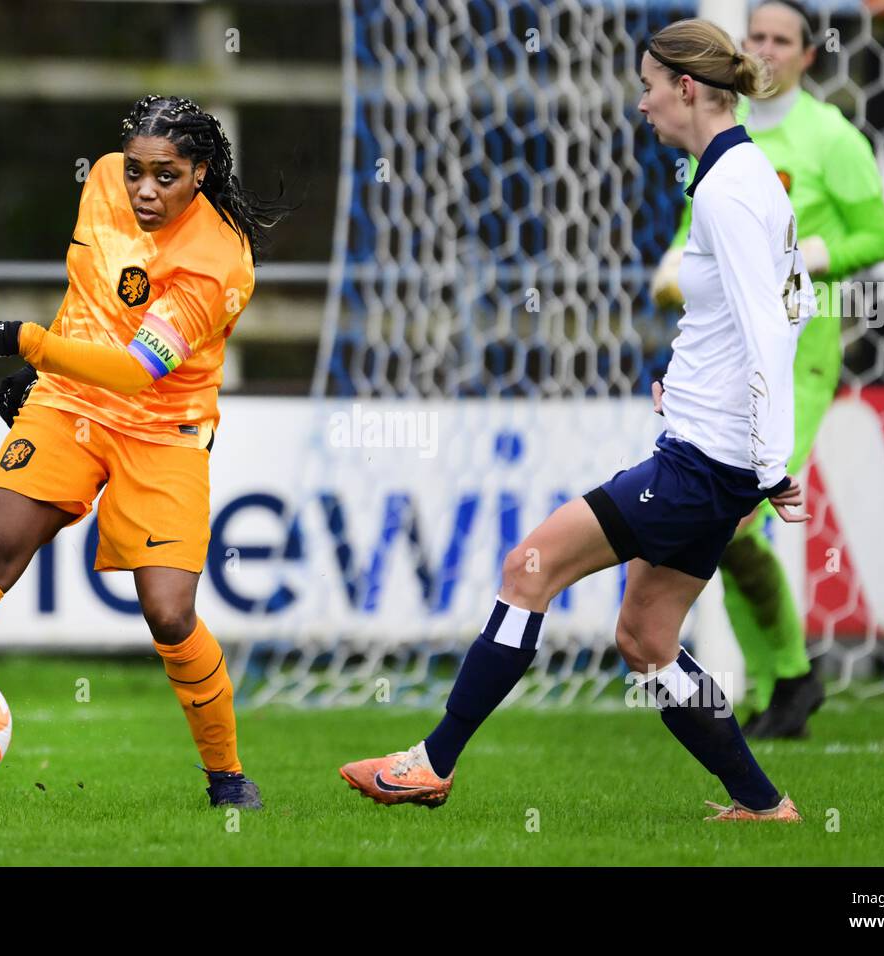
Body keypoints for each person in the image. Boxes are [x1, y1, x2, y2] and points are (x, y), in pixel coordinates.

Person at [340, 18, 815, 821]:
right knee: (646, 641)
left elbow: (772, 329)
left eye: (648, 86)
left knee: (531, 569)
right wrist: (693, 388)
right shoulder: (743, 177)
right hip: (711, 452)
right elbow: (765, 316)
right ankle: (765, 805)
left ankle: (430, 763)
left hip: (705, 466)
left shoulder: (733, 190)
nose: (641, 105)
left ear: (687, 89)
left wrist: (769, 467)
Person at [0, 95, 289, 809]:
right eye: (139, 174)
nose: (145, 191)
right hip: (72, 404)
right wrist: (45, 374)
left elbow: (137, 369)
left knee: (169, 613)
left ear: (201, 174)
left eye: (169, 177)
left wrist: (22, 341)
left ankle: (227, 776)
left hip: (163, 428)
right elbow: (92, 299)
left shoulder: (217, 261)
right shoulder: (103, 181)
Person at [652, 0, 884, 738]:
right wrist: (673, 264)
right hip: (730, 358)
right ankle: (780, 685)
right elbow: (699, 227)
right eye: (754, 36)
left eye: (780, 39)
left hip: (800, 357)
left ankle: (787, 677)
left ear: (808, 54)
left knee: (730, 516)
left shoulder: (831, 138)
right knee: (725, 525)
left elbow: (878, 234)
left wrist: (812, 257)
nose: (765, 48)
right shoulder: (728, 137)